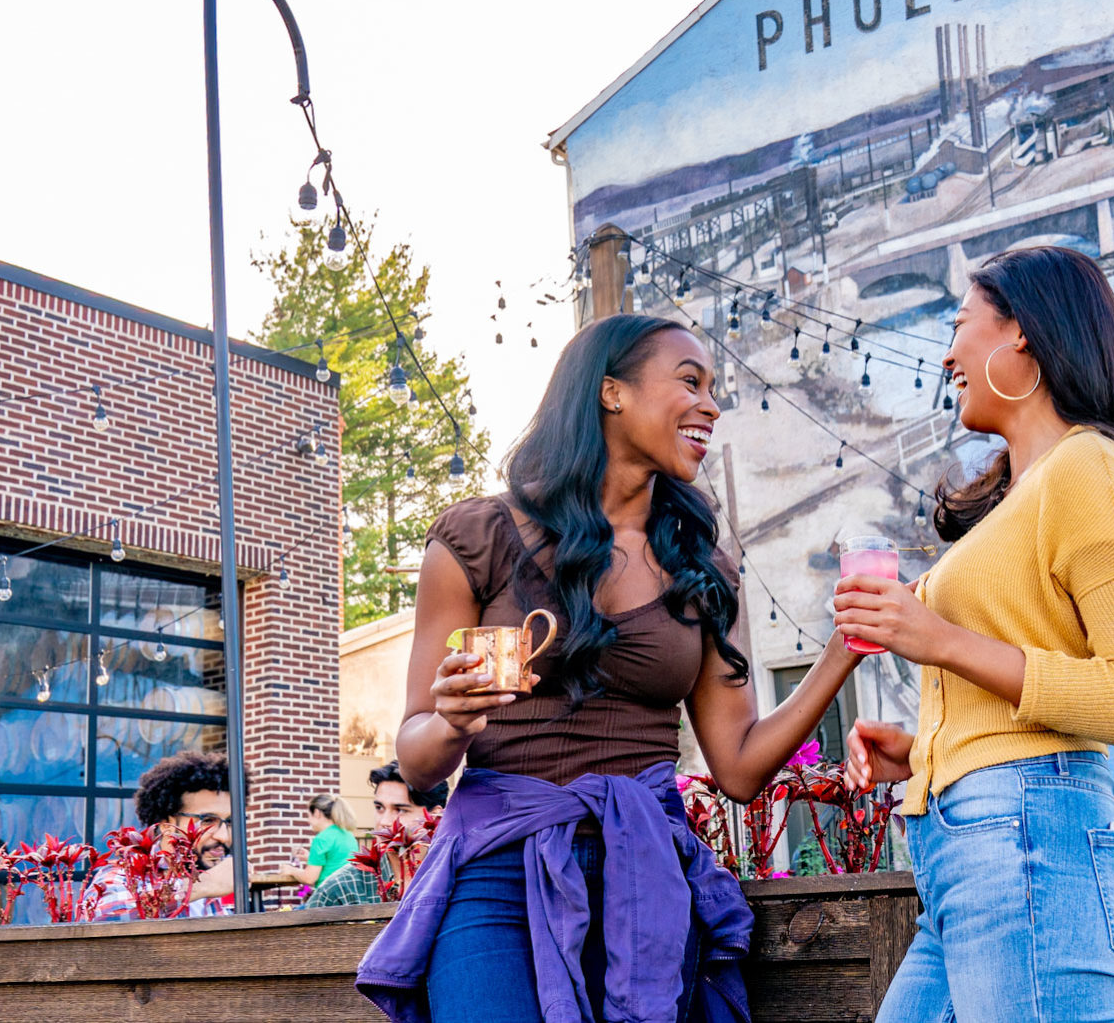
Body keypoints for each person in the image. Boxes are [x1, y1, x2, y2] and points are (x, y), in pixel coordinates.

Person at [357, 313, 863, 1022]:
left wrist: (846, 646)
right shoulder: (477, 538)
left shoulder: (703, 565)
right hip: (500, 869)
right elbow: (416, 762)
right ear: (611, 391)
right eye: (690, 381)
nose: (711, 404)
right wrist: (451, 718)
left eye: (712, 387)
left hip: (644, 875)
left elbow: (740, 768)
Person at [836, 246, 1114, 1023]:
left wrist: (941, 640)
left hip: (1031, 846)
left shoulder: (1088, 468)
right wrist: (928, 746)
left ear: (1021, 334)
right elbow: (1029, 670)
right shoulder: (1023, 495)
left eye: (959, 323)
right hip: (978, 855)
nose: (946, 351)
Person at [89, 750, 241, 920]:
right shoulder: (127, 875)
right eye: (207, 820)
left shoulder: (229, 880)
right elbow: (109, 917)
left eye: (229, 822)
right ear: (166, 825)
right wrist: (204, 885)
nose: (224, 836)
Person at [306, 762, 450, 909]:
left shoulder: (457, 877)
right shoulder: (341, 889)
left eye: (400, 810)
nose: (384, 822)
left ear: (434, 816)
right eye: (379, 808)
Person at [284, 793, 358, 889]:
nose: (308, 820)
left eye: (309, 816)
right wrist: (310, 858)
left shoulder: (321, 839)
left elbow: (309, 878)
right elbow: (335, 862)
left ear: (317, 813)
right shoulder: (349, 836)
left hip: (328, 897)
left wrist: (291, 870)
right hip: (347, 895)